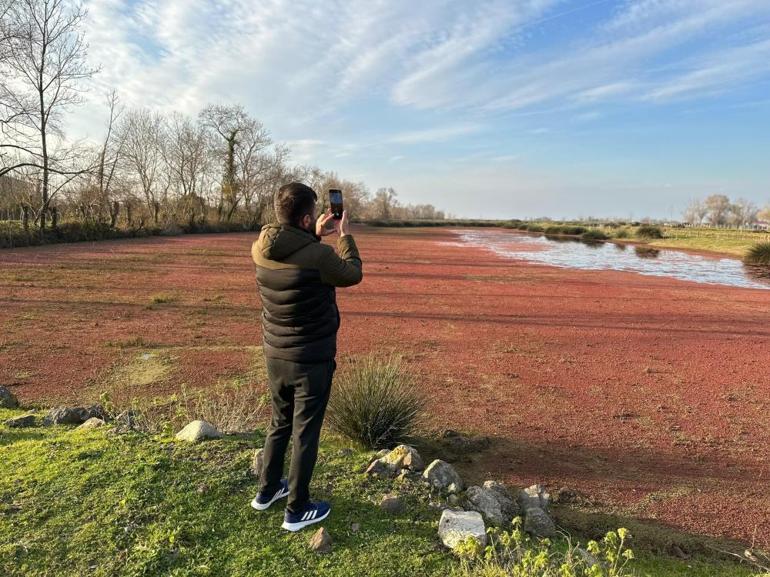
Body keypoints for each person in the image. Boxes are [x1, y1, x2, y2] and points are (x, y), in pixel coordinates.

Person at [249, 182, 363, 531]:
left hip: (275, 353)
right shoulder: (320, 257)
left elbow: (294, 252)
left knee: (279, 423)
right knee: (305, 433)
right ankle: (297, 510)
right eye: (312, 214)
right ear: (304, 217)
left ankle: (267, 491)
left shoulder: (260, 247)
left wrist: (312, 234)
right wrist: (343, 236)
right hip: (311, 357)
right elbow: (352, 273)